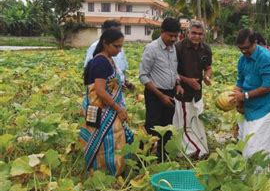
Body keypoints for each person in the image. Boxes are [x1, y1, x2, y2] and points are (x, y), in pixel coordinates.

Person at [79, 29, 133, 176]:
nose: (119, 50)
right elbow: (100, 91)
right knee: (107, 140)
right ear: (105, 43)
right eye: (116, 46)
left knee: (114, 139)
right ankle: (102, 173)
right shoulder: (100, 62)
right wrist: (118, 109)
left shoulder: (109, 59)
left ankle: (114, 171)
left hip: (107, 107)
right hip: (102, 109)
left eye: (121, 46)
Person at [230, 29, 270, 159]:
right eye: (240, 48)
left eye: (246, 48)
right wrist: (236, 94)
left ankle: (259, 175)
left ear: (255, 43)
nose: (243, 52)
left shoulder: (266, 58)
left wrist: (245, 96)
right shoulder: (242, 59)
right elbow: (240, 81)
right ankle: (262, 172)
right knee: (249, 144)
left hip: (267, 107)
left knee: (257, 149)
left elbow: (269, 86)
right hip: (251, 107)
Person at [139, 17, 184, 161]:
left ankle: (162, 159)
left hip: (170, 93)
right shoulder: (151, 49)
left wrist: (178, 84)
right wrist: (161, 96)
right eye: (170, 35)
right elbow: (143, 76)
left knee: (167, 129)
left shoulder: (173, 49)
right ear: (162, 32)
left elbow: (173, 70)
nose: (173, 39)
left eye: (176, 36)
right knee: (152, 128)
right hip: (155, 94)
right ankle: (142, 160)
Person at [173, 21, 212, 158]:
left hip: (197, 92)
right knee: (184, 124)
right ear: (187, 33)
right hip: (182, 93)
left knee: (197, 121)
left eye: (200, 34)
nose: (197, 36)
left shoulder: (206, 49)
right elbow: (172, 72)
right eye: (194, 33)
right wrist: (187, 81)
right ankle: (191, 152)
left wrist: (207, 77)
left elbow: (208, 68)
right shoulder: (178, 48)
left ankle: (199, 149)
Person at [84, 20, 133, 89]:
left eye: (119, 31)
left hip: (118, 89)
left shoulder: (119, 48)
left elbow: (122, 69)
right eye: (115, 32)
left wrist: (125, 82)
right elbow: (90, 73)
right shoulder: (96, 51)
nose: (118, 34)